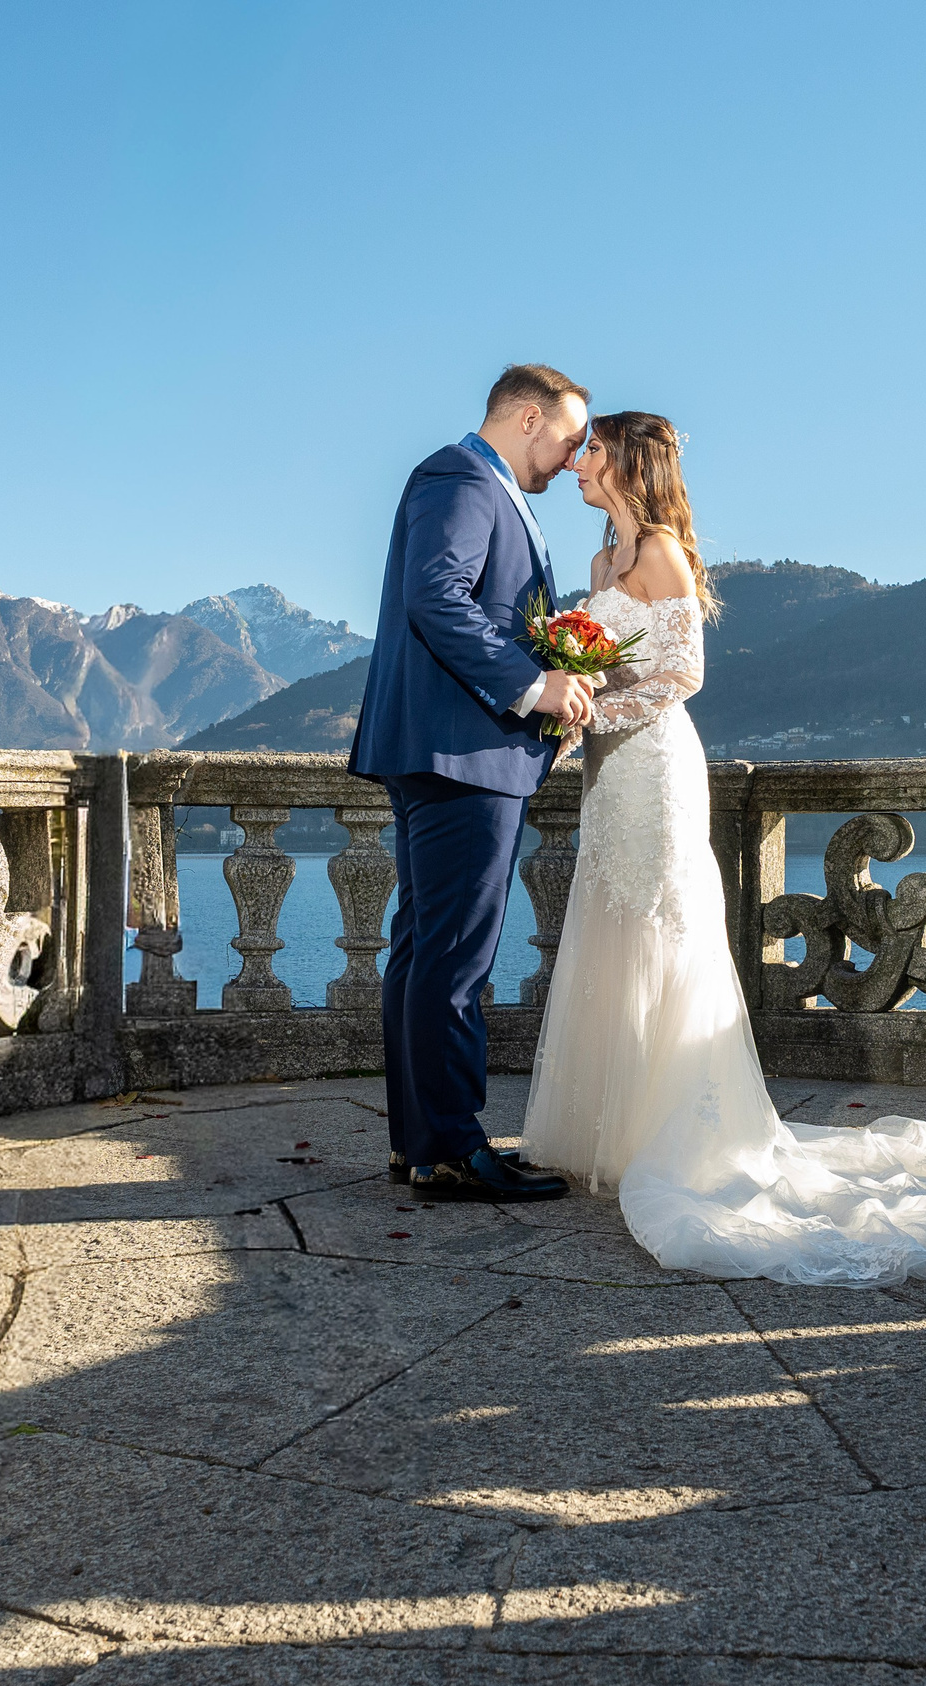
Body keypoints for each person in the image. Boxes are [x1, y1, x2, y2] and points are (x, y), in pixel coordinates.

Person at [518, 411, 926, 1284]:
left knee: (665, 930)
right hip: (608, 777)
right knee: (611, 923)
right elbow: (603, 666)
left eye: (594, 450)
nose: (580, 462)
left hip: (657, 768)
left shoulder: (662, 552)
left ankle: (681, 1130)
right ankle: (614, 1126)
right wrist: (572, 713)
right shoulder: (599, 565)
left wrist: (598, 707)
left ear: (631, 463)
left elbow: (682, 676)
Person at [348, 366, 595, 1204]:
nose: (571, 460)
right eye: (567, 440)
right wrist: (535, 687)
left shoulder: (475, 484)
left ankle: (420, 1142)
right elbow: (436, 598)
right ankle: (453, 1147)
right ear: (528, 418)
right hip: (463, 752)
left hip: (445, 749)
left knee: (423, 948)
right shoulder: (461, 477)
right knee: (453, 958)